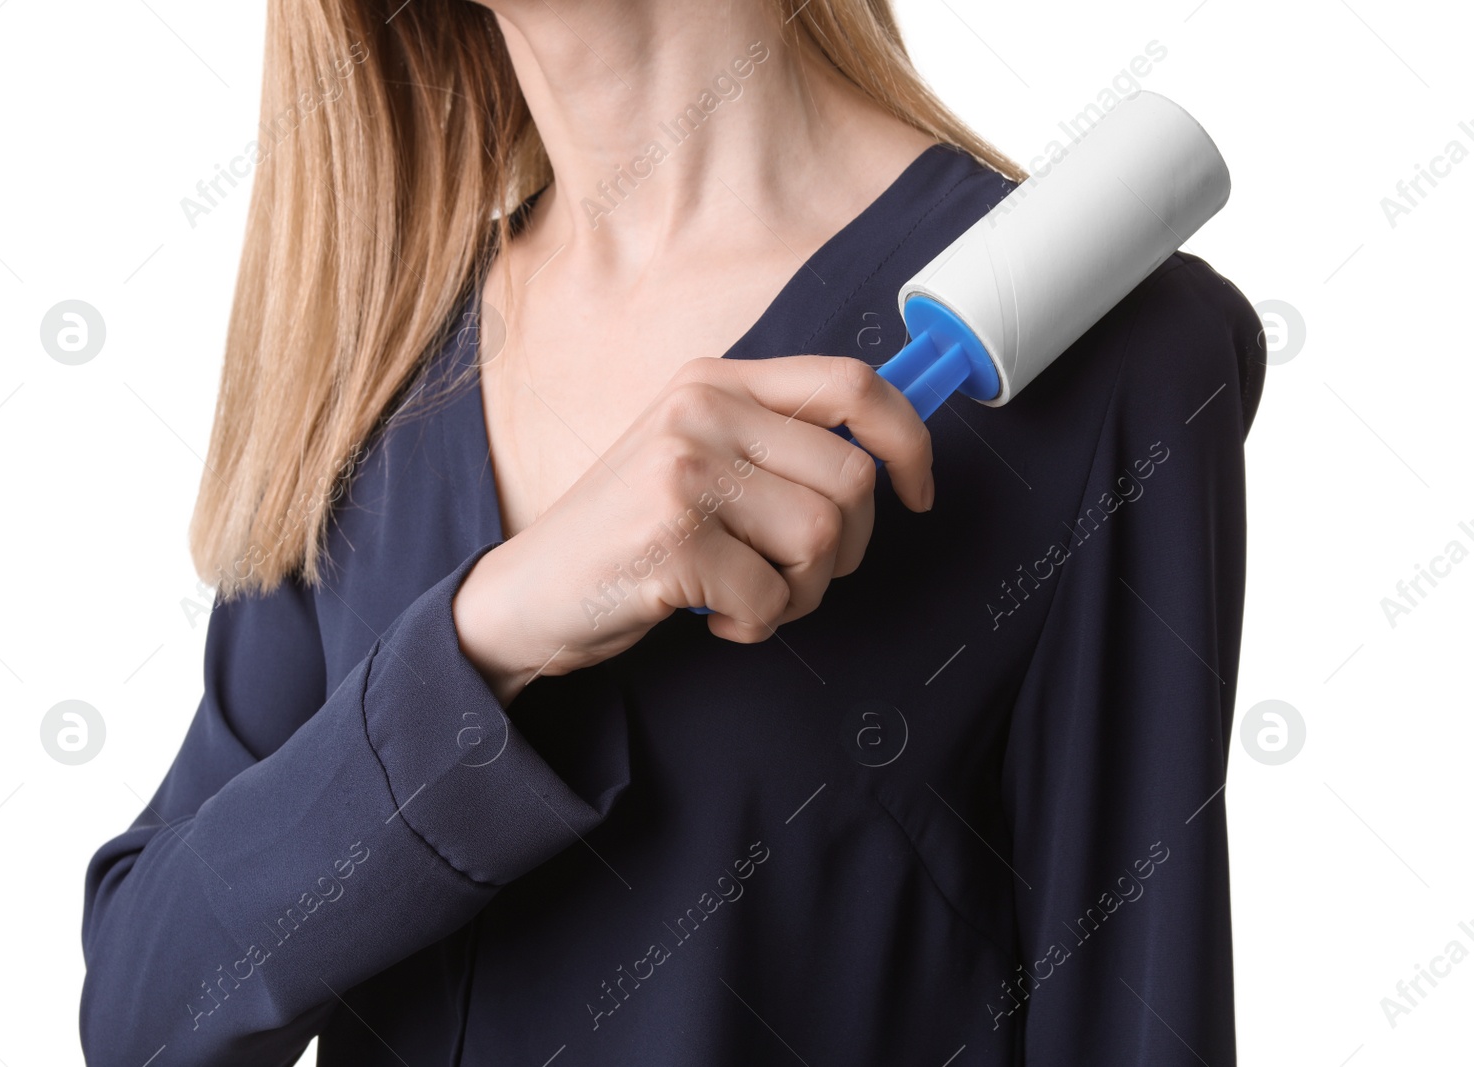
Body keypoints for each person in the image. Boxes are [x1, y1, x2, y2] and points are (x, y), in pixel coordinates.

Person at [80, 1, 1264, 1063]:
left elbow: (1135, 1016)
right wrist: (490, 629)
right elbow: (146, 1018)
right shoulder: (373, 375)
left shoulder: (1107, 365)